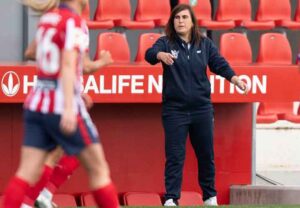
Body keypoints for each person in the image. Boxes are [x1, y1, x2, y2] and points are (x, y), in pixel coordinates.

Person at [2, 0, 119, 208]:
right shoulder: (74, 22)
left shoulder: (48, 19)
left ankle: (36, 198)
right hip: (62, 105)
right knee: (99, 170)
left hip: (37, 102)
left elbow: (39, 56)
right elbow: (68, 64)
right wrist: (68, 104)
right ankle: (41, 196)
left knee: (26, 172)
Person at [145, 4, 248, 206]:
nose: (180, 21)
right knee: (175, 157)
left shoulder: (206, 44)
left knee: (206, 155)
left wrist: (234, 79)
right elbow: (149, 54)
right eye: (176, 18)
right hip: (174, 111)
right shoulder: (165, 43)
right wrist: (159, 56)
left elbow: (219, 63)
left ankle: (210, 197)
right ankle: (171, 199)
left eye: (184, 17)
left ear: (192, 22)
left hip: (202, 109)